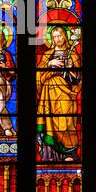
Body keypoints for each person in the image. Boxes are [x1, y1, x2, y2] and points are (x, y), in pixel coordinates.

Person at [36, 27, 81, 161]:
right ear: (52, 39)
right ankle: (49, 156)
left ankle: (68, 154)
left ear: (65, 36)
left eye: (60, 36)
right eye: (55, 36)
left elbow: (77, 79)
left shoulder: (72, 54)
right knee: (49, 125)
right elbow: (38, 76)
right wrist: (50, 64)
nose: (58, 39)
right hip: (48, 95)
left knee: (66, 124)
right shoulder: (47, 55)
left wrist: (70, 68)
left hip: (66, 95)